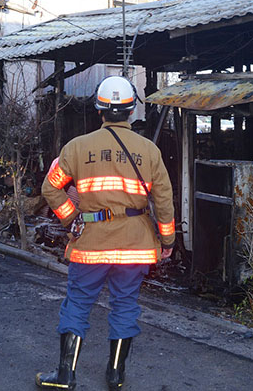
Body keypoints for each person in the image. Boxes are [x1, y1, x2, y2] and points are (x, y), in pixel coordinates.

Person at [37, 75, 175, 391]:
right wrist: (167, 241)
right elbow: (164, 201)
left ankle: (65, 376)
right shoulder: (149, 151)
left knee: (77, 304)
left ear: (99, 110)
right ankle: (115, 376)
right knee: (125, 306)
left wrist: (71, 219)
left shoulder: (76, 147)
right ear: (131, 111)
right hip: (135, 246)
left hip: (90, 245)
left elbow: (50, 187)